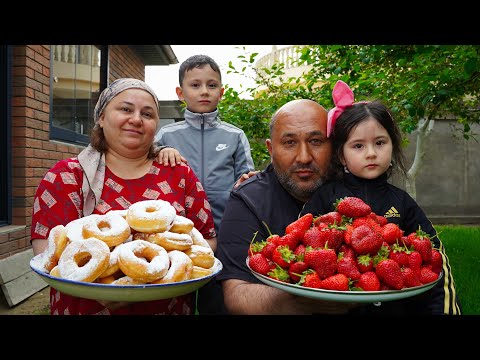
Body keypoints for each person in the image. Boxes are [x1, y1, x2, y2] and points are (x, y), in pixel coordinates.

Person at [31, 78, 216, 315]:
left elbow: (207, 242)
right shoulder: (66, 177)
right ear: (101, 117)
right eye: (126, 109)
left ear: (156, 125)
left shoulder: (179, 174)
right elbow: (47, 253)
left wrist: (151, 279)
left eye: (147, 114)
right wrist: (103, 287)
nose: (137, 119)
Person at [300, 80, 461, 315]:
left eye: (380, 142)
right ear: (341, 156)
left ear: (392, 146)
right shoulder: (325, 197)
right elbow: (302, 251)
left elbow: (436, 261)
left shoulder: (402, 202)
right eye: (358, 146)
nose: (372, 153)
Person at [216, 99, 359, 314]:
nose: (304, 157)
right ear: (271, 149)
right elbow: (236, 292)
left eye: (316, 141)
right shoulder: (248, 199)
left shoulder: (355, 193)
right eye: (289, 143)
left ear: (335, 146)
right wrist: (304, 300)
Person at [154, 54, 255, 315]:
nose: (204, 92)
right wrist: (161, 150)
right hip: (176, 234)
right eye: (195, 85)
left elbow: (246, 181)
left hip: (223, 232)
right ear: (180, 92)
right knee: (174, 296)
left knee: (216, 299)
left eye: (211, 85)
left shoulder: (234, 135)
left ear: (221, 92)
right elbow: (151, 176)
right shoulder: (166, 136)